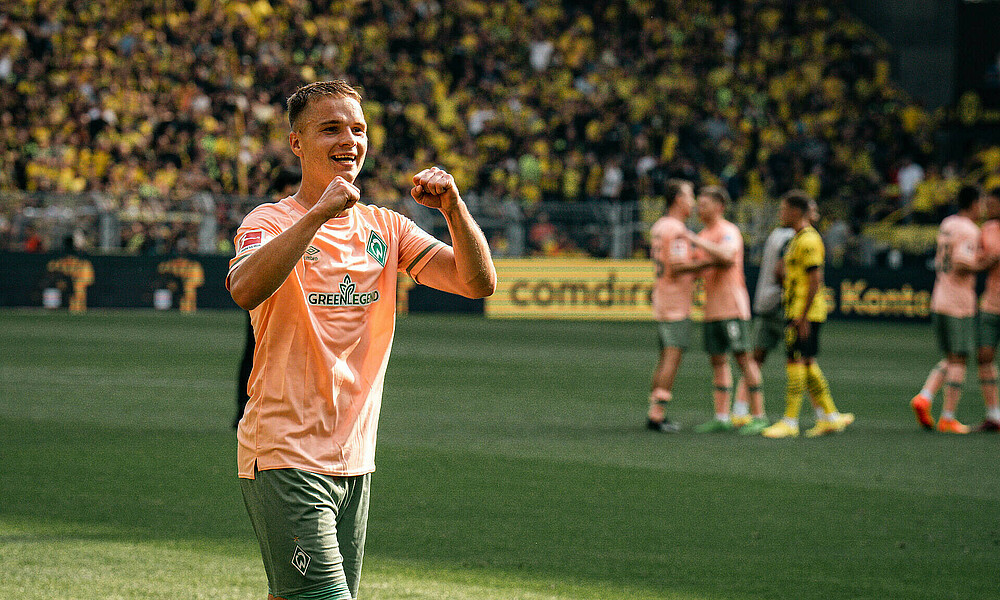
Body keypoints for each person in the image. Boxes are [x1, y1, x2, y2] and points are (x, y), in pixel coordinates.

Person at [227, 80, 496, 600]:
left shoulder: (387, 228)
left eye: (358, 129)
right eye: (330, 128)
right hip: (285, 450)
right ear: (297, 143)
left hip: (354, 457)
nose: (349, 139)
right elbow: (244, 288)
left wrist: (454, 210)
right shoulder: (270, 220)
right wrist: (319, 213)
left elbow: (476, 282)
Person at [763, 191, 853, 439]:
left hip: (805, 312)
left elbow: (816, 280)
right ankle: (831, 418)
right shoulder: (797, 239)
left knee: (795, 362)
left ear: (795, 212)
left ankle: (790, 421)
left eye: (783, 209)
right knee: (808, 362)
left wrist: (802, 316)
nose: (780, 214)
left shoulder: (809, 240)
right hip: (799, 310)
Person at [681, 186, 766, 434]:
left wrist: (695, 241)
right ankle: (722, 416)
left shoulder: (728, 231)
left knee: (743, 359)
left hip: (732, 306)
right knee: (718, 361)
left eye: (704, 204)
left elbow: (728, 256)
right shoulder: (706, 234)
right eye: (698, 203)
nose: (699, 208)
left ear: (719, 207)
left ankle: (759, 415)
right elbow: (697, 266)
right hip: (712, 309)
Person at [911, 185, 995, 433]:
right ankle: (948, 417)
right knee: (959, 358)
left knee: (950, 357)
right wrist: (986, 262)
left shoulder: (948, 223)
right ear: (974, 203)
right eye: (980, 203)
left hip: (940, 296)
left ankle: (925, 396)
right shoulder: (969, 229)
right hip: (958, 302)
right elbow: (961, 262)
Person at [734, 199, 819, 431]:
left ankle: (739, 410)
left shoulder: (776, 235)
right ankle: (821, 415)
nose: (816, 214)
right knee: (803, 359)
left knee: (756, 358)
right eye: (813, 210)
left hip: (764, 302)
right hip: (782, 305)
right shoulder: (793, 238)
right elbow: (782, 270)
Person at [234, 167, 302, 429]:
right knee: (254, 350)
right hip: (265, 289)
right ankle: (244, 405)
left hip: (294, 291)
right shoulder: (268, 218)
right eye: (291, 186)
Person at [646, 179, 697, 433]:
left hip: (663, 297)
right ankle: (657, 414)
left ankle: (653, 409)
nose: (693, 201)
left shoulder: (659, 226)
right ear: (678, 199)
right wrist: (708, 262)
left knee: (665, 356)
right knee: (671, 358)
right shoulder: (677, 229)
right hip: (676, 301)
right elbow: (677, 266)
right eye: (690, 195)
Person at [976, 187, 1000, 432]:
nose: (988, 209)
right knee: (984, 355)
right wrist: (987, 262)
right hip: (991, 304)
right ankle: (993, 414)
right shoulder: (987, 230)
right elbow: (977, 262)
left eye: (992, 204)